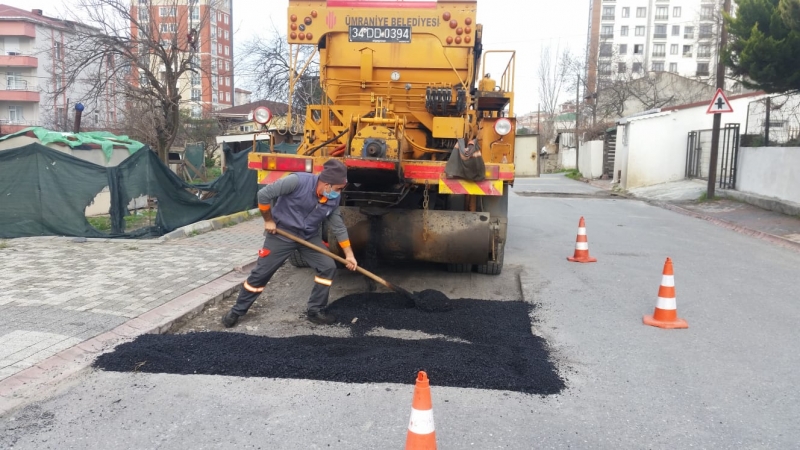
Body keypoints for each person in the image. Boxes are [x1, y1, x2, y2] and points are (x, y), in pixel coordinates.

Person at [221, 159, 358, 328]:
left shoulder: (332, 200)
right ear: (327, 184)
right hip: (281, 234)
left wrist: (349, 255)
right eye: (338, 189)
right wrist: (268, 220)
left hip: (308, 237)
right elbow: (263, 195)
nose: (339, 193)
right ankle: (237, 311)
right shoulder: (297, 181)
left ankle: (315, 310)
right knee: (261, 273)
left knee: (328, 266)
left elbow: (338, 227)